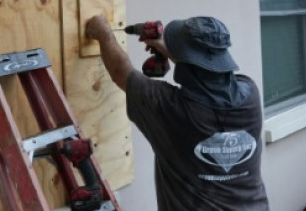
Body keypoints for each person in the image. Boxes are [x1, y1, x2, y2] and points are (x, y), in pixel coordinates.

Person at [86, 14, 270, 210]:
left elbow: (120, 71)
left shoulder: (170, 108)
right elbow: (208, 76)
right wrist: (175, 53)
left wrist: (103, 32)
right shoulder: (250, 93)